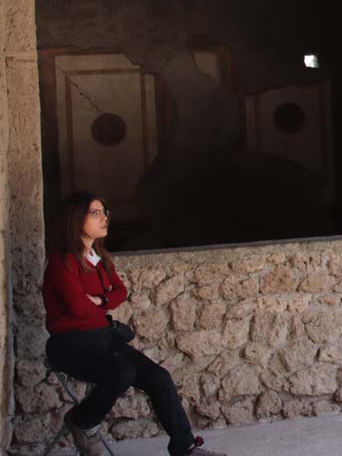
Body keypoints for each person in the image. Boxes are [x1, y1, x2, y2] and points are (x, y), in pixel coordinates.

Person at [43, 191, 225, 456]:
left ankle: (184, 448)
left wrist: (100, 300)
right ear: (75, 218)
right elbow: (78, 307)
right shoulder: (63, 262)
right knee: (122, 372)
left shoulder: (99, 257)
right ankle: (82, 421)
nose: (104, 217)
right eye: (95, 213)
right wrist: (99, 305)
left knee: (160, 378)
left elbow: (120, 292)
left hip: (104, 339)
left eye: (105, 211)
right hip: (71, 345)